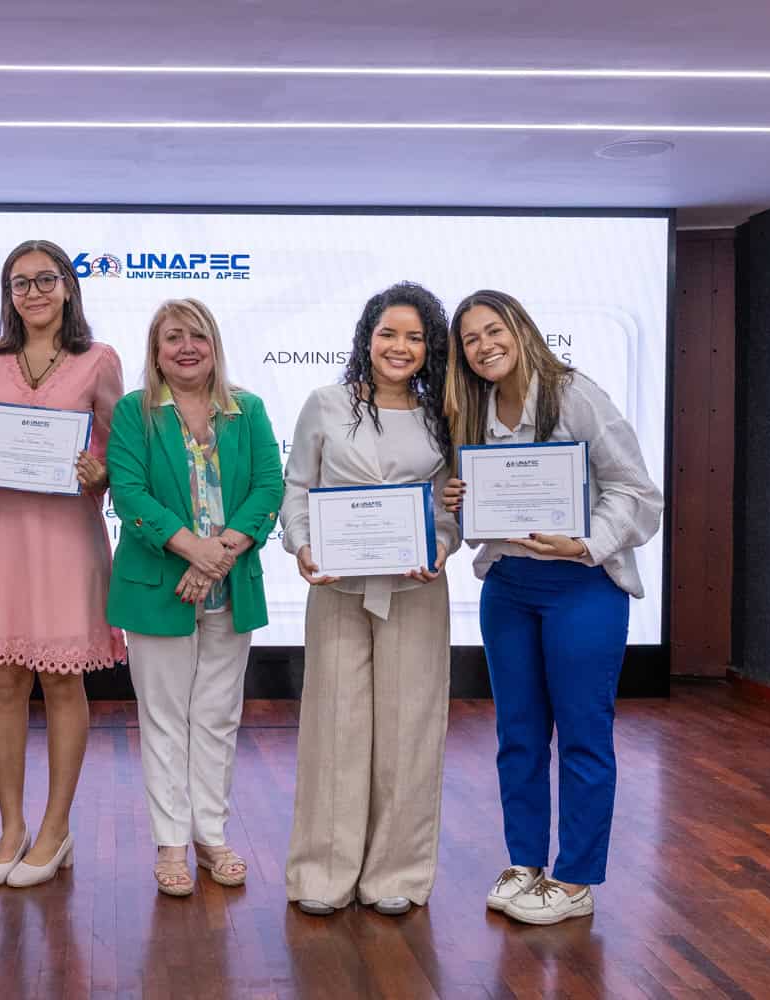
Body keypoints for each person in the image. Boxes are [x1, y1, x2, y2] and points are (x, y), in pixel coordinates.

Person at [442, 289, 662, 926]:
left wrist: (586, 542)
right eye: (471, 340)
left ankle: (575, 878)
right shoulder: (473, 406)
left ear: (520, 327)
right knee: (518, 736)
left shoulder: (574, 394)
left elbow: (637, 491)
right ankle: (526, 863)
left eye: (493, 330)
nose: (485, 346)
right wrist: (460, 496)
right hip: (509, 586)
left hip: (581, 585)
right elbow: (479, 501)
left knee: (584, 737)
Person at [0, 239, 125, 888]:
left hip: (66, 538)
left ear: (69, 288)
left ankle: (56, 827)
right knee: (4, 682)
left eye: (47, 280)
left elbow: (115, 457)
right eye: (20, 283)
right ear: (7, 294)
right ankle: (12, 825)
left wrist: (100, 474)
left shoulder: (99, 360)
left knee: (64, 682)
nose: (34, 292)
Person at [280, 280, 461, 917]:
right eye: (388, 333)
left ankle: (398, 874)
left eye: (415, 337)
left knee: (411, 728)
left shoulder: (445, 413)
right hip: (336, 589)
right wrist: (303, 548)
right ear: (367, 337)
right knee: (335, 723)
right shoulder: (326, 404)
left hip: (416, 589)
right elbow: (297, 489)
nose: (400, 347)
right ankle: (323, 872)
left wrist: (440, 547)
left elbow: (448, 507)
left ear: (430, 347)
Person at [105, 298, 283, 897]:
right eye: (173, 337)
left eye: (198, 336)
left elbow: (268, 488)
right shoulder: (134, 413)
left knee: (216, 717)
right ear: (156, 349)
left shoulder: (248, 409)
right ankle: (170, 845)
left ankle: (212, 836)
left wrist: (217, 556)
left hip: (228, 586)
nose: (187, 347)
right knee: (163, 722)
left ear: (215, 344)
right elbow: (129, 494)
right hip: (158, 587)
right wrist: (193, 550)